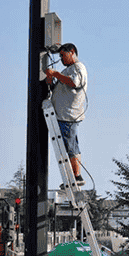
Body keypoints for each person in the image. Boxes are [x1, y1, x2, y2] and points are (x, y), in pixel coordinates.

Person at [45, 43, 88, 186]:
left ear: (72, 52)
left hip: (69, 115)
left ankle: (76, 176)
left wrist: (56, 74)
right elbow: (59, 86)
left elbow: (74, 83)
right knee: (69, 145)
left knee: (70, 146)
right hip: (63, 114)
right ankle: (74, 176)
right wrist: (51, 80)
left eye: (63, 55)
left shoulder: (78, 68)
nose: (61, 58)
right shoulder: (67, 70)